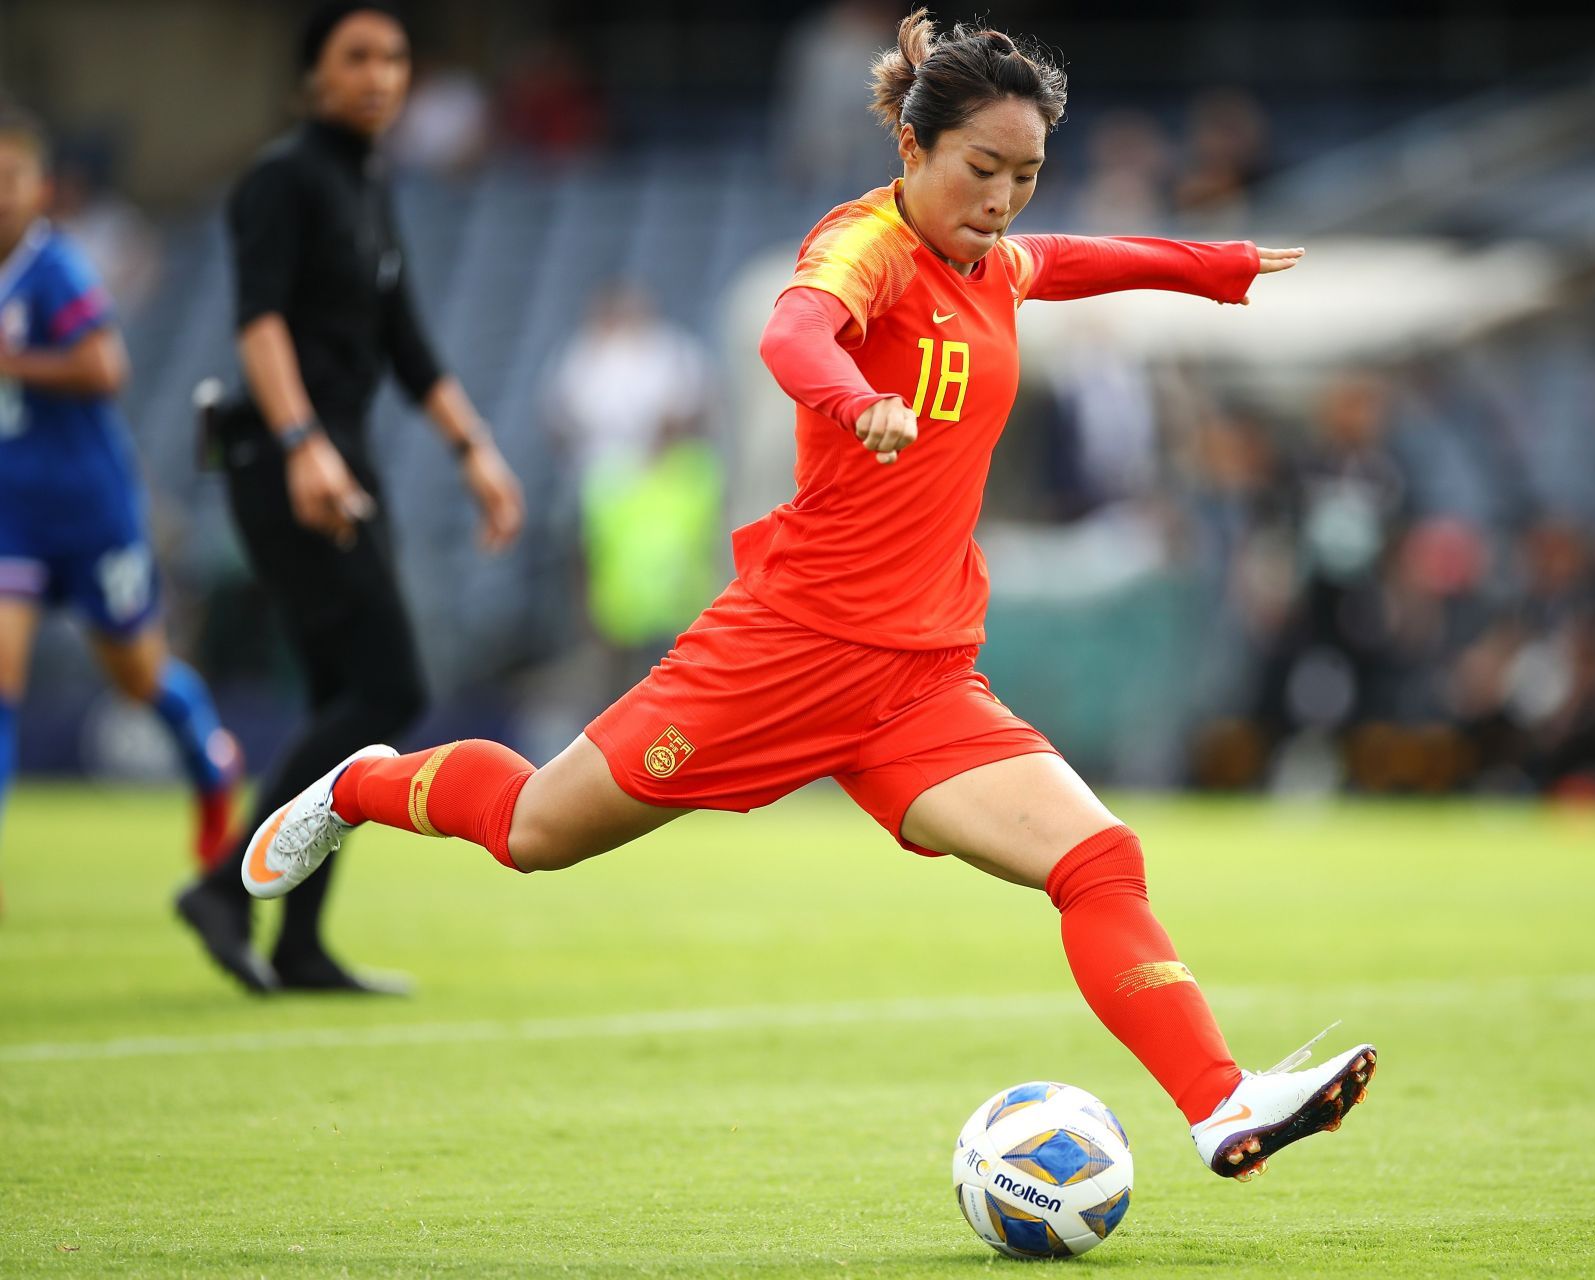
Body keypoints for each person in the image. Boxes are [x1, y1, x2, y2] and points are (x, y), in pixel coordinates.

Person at [236, 9, 1372, 1191]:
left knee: (1099, 859)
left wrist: (1217, 269)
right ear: (917, 151)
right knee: (533, 832)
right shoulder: (864, 247)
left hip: (920, 678)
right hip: (781, 652)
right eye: (982, 170)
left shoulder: (996, 260)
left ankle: (1221, 1100)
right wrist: (846, 398)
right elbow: (796, 331)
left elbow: (1078, 258)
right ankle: (361, 782)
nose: (1002, 199)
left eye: (1024, 176)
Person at [174, 4, 524, 994]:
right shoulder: (282, 179)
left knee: (348, 705)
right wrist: (302, 443)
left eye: (395, 58)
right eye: (356, 57)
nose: (380, 75)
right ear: (309, 79)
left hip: (340, 463)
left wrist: (477, 452)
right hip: (289, 465)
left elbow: (407, 343)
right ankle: (226, 885)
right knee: (391, 688)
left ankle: (298, 940)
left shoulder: (368, 183)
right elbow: (259, 322)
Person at [0, 109, 242, 897]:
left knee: (139, 678)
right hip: (14, 516)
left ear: (41, 188)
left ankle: (212, 765)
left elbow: (106, 368)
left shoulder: (53, 268)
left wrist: (14, 362)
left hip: (92, 512)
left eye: (10, 180)